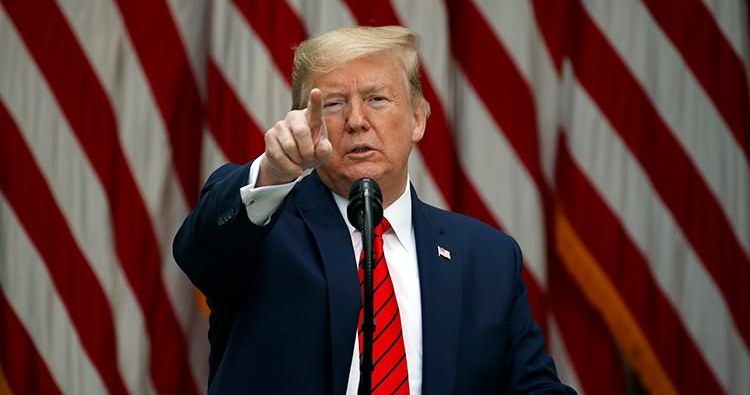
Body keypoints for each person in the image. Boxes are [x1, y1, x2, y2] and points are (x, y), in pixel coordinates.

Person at [174, 25, 576, 394]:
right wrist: (273, 172)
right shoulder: (261, 221)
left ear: (418, 119)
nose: (356, 120)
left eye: (377, 99)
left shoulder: (487, 258)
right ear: (304, 123)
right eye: (333, 104)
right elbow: (199, 254)